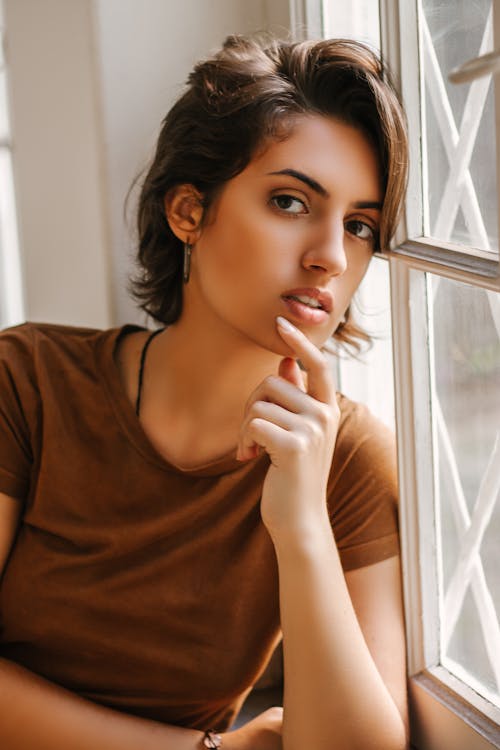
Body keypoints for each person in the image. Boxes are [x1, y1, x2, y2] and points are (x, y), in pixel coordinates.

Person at [0, 34, 409, 750]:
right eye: (290, 201)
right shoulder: (25, 382)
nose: (331, 256)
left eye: (360, 226)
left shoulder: (347, 460)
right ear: (189, 211)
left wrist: (302, 526)